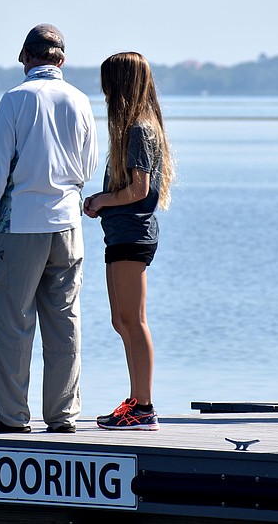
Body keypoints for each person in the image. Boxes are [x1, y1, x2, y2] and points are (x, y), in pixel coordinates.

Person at [0, 24, 98, 434]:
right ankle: (63, 416)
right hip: (67, 224)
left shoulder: (15, 99)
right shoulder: (80, 100)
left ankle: (12, 416)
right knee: (64, 322)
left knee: (10, 322)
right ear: (61, 60)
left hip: (20, 225)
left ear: (26, 57)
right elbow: (88, 165)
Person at [83, 51, 175, 431]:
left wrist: (103, 199)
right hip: (119, 235)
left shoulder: (139, 128)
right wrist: (102, 202)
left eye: (108, 84)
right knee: (120, 320)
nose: (104, 93)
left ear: (121, 84)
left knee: (134, 322)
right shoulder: (134, 128)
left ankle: (145, 406)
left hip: (133, 236)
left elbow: (139, 189)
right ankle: (135, 400)